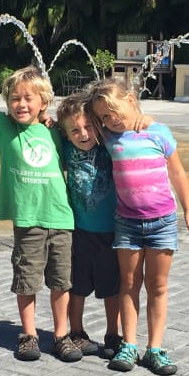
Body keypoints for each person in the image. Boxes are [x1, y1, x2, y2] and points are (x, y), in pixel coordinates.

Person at [87, 77, 189, 376]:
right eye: (104, 116)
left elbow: (177, 172)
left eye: (113, 111)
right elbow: (79, 120)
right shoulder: (110, 138)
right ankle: (129, 343)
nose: (110, 120)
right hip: (126, 222)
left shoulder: (158, 132)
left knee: (157, 286)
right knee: (128, 285)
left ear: (130, 99)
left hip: (162, 222)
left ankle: (155, 348)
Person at [0, 66, 80, 363]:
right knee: (26, 280)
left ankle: (61, 335)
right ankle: (28, 335)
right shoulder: (6, 128)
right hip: (28, 221)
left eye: (29, 98)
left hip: (61, 218)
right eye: (14, 98)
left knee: (61, 281)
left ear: (43, 102)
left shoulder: (56, 132)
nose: (21, 104)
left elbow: (85, 128)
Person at [56, 91, 123, 359]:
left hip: (111, 230)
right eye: (74, 130)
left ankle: (112, 333)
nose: (82, 134)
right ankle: (77, 331)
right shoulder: (66, 146)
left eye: (87, 127)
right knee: (77, 286)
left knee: (112, 287)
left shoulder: (109, 145)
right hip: (79, 231)